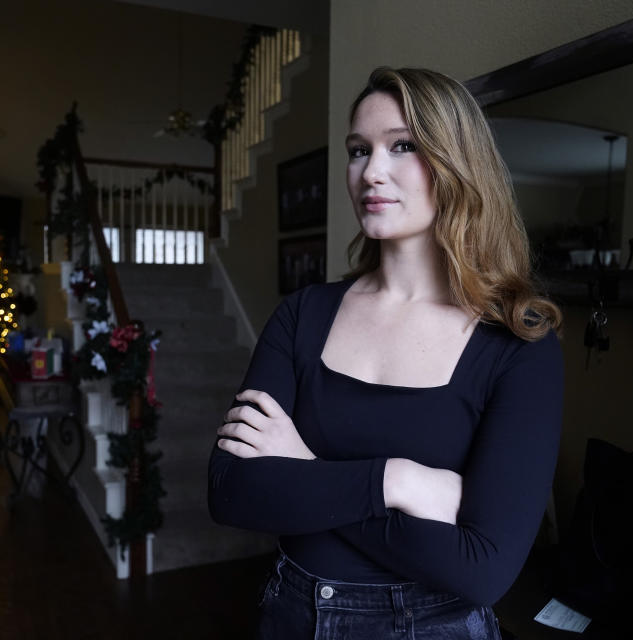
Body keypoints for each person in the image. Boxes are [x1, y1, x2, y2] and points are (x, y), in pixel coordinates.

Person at [208, 66, 564, 640]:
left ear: (457, 164)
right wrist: (397, 482)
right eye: (357, 150)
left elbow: (481, 569)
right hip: (291, 615)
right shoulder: (302, 315)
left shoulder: (518, 344)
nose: (370, 172)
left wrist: (304, 470)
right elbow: (232, 491)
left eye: (402, 146)